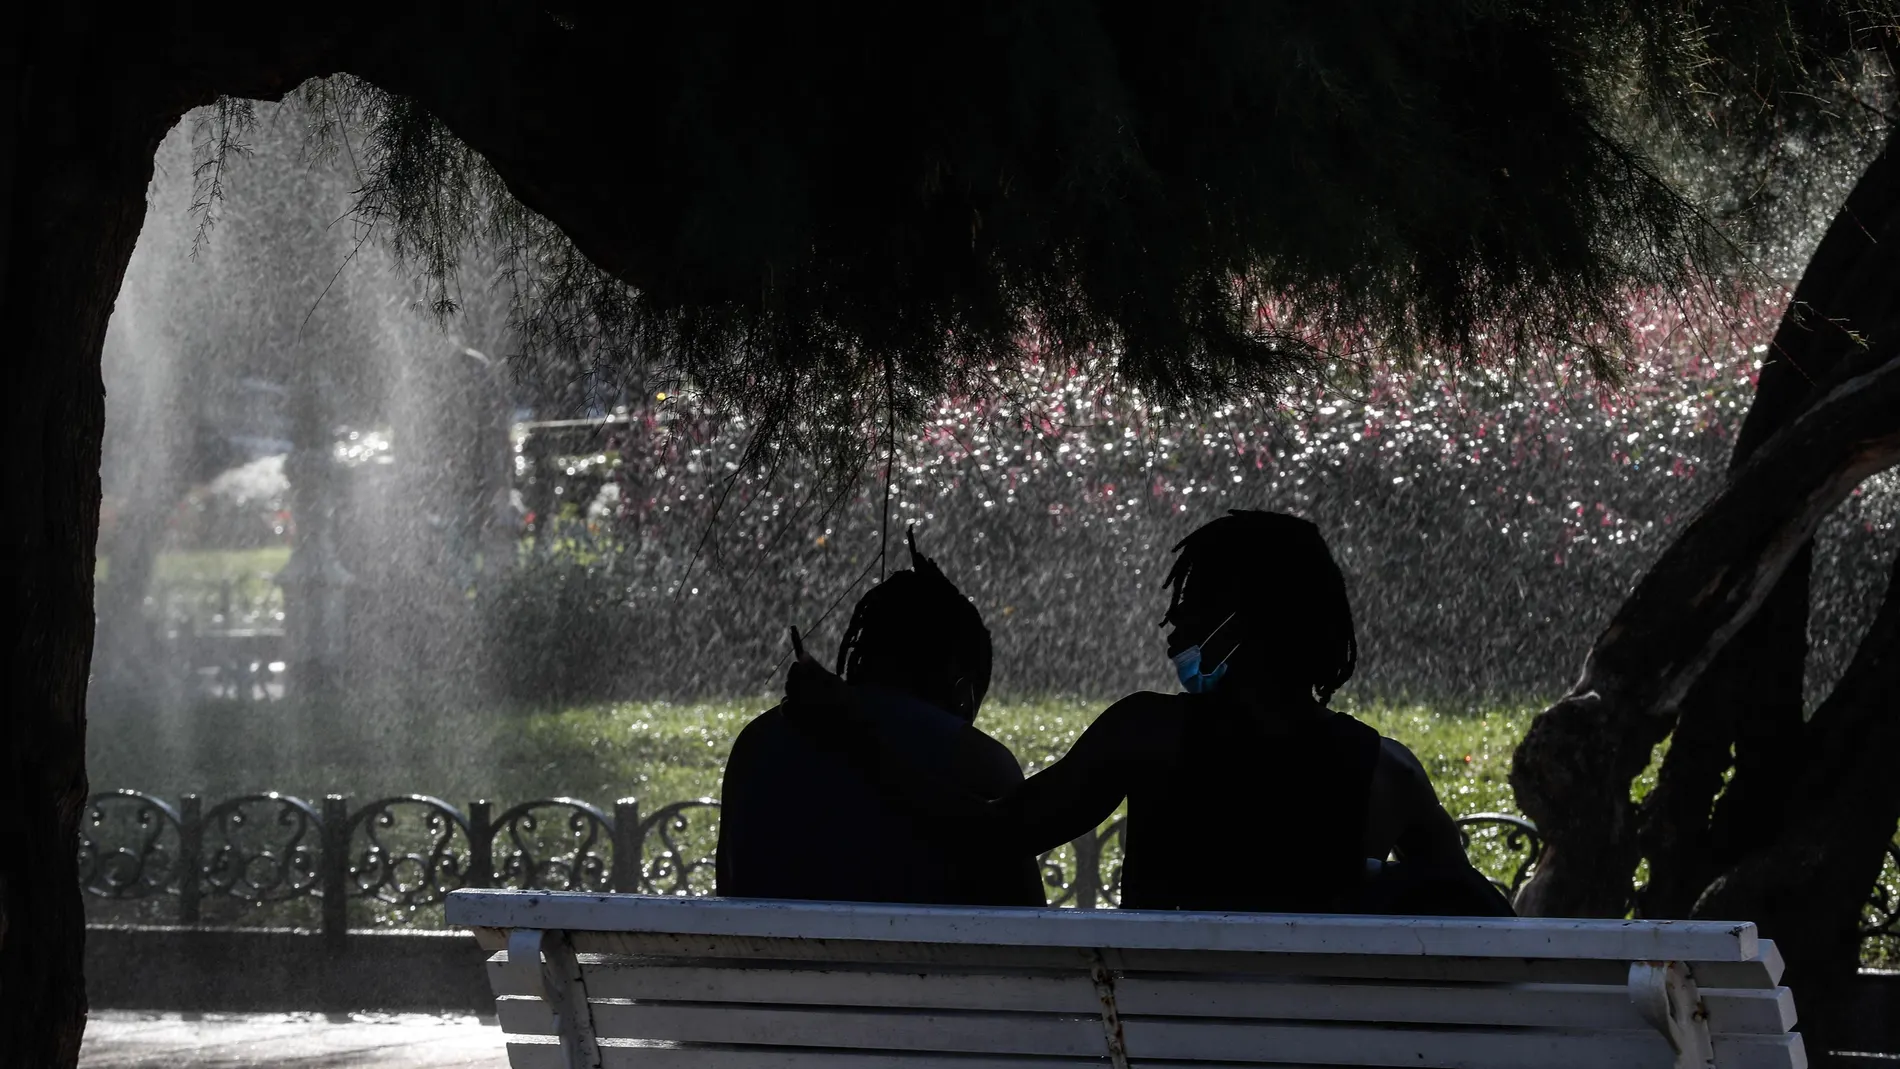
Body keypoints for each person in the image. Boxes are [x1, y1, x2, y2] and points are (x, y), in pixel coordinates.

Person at [788, 509, 1510, 916]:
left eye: (1190, 610)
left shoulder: (1148, 735)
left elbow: (988, 835)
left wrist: (860, 731)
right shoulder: (1389, 775)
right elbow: (1469, 910)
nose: (1173, 630)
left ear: (1240, 623)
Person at [716, 530, 1044, 906]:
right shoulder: (982, 765)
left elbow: (728, 890)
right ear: (963, 694)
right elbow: (1031, 929)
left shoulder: (757, 744)